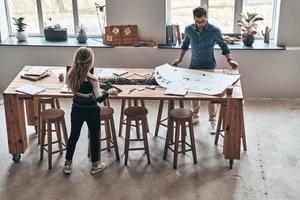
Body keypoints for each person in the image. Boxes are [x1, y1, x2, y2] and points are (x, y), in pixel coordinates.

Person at [172, 7, 238, 135]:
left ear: (206, 18)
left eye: (202, 21)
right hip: (194, 65)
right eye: (197, 21)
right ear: (194, 19)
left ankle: (213, 120)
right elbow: (185, 45)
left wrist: (230, 60)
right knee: (194, 92)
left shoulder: (214, 30)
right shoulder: (189, 29)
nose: (200, 24)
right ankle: (195, 115)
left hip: (209, 65)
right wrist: (179, 59)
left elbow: (224, 46)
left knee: (211, 94)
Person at [63, 47, 110, 175]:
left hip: (77, 109)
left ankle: (67, 164)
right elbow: (99, 98)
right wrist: (108, 91)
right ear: (90, 62)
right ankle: (95, 165)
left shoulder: (70, 75)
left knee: (74, 136)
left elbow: (74, 89)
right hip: (91, 111)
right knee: (95, 137)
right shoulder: (93, 79)